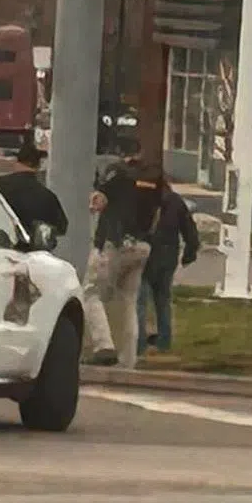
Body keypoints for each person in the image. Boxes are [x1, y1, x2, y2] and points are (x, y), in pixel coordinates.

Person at [83, 155, 163, 368]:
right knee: (129, 301)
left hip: (115, 243)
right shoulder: (153, 178)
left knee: (91, 293)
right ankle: (129, 360)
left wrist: (95, 202)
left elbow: (99, 202)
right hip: (142, 246)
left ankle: (104, 345)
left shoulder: (116, 175)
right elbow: (157, 215)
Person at [138, 178, 200, 356]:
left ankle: (139, 343)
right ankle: (164, 340)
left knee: (140, 301)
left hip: (146, 256)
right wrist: (189, 253)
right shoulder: (176, 202)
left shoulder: (143, 201)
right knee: (163, 300)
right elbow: (189, 230)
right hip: (168, 258)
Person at [0, 140, 69, 238]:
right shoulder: (47, 196)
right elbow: (62, 227)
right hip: (32, 250)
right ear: (38, 166)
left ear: (16, 162)